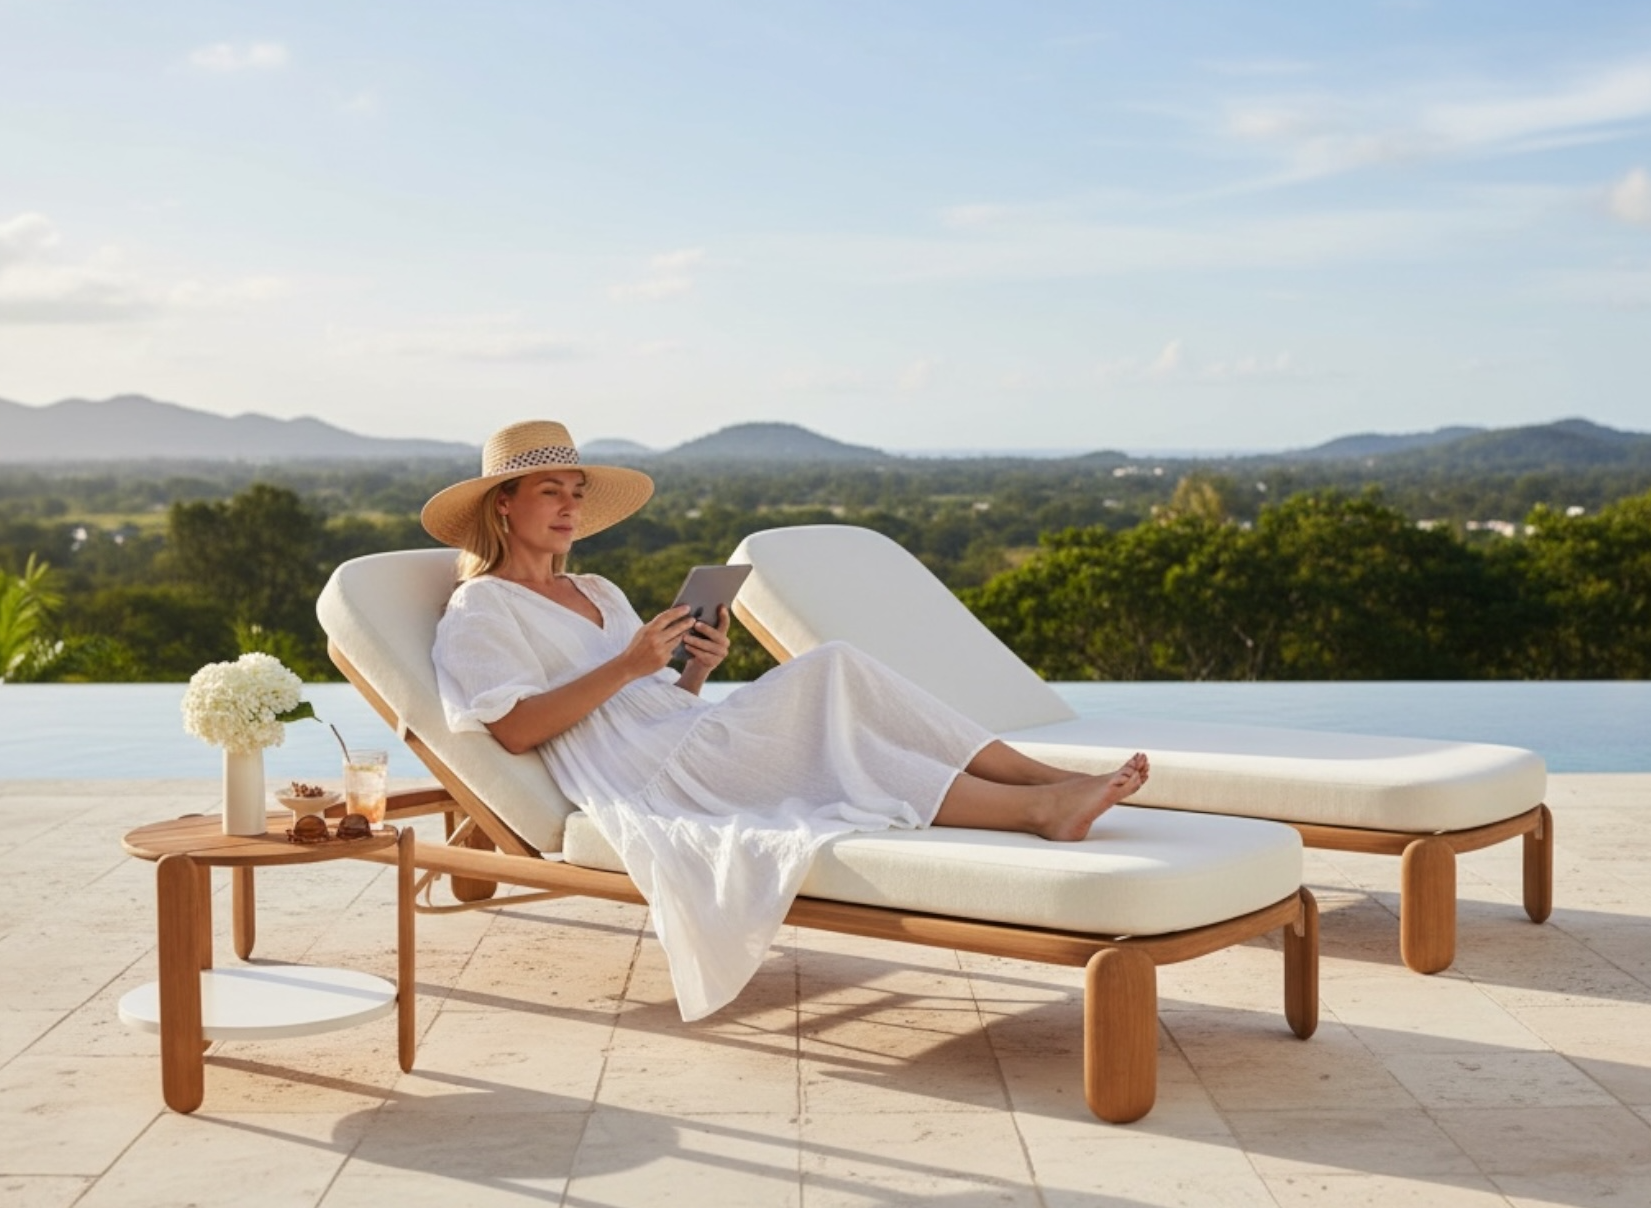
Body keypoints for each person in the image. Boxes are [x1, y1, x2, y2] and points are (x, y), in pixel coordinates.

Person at [425, 420, 1149, 1019]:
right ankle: (1042, 791)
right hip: (641, 774)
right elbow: (514, 730)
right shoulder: (481, 607)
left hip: (677, 736)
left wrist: (696, 667)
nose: (570, 508)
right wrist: (629, 665)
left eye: (577, 493)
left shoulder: (597, 589)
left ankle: (1045, 798)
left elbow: (655, 699)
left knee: (853, 737)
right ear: (502, 506)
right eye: (550, 492)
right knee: (835, 668)